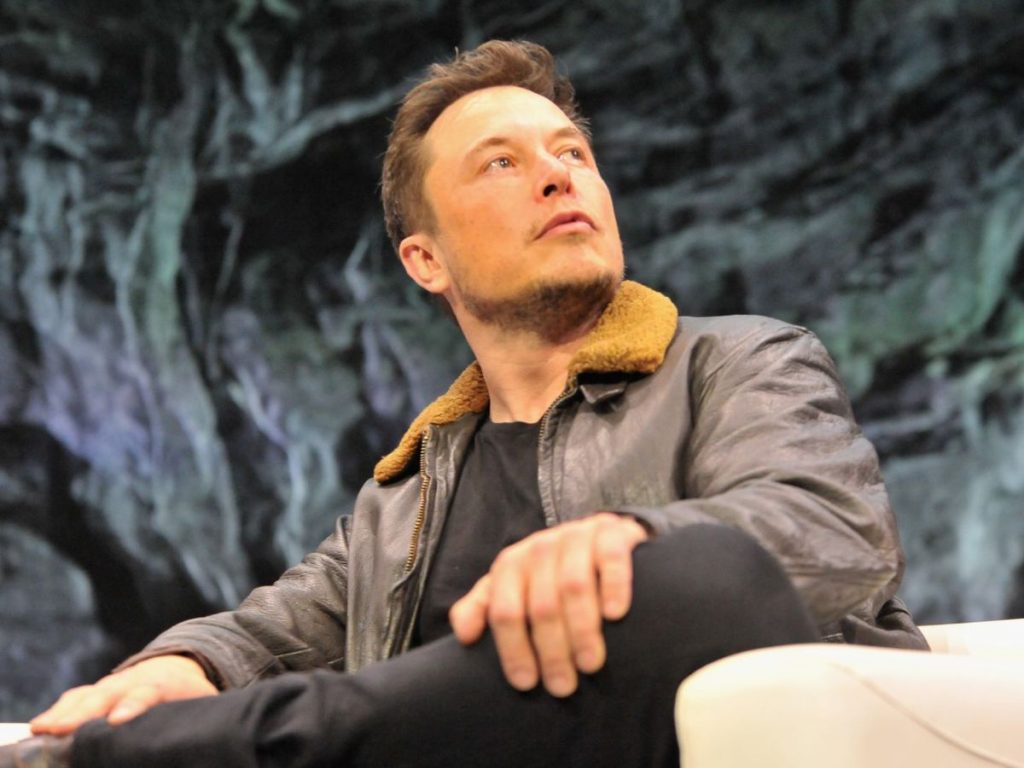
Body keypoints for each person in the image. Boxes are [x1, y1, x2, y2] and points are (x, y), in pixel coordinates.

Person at [3, 39, 925, 768]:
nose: (560, 176)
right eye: (501, 164)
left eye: (572, 153)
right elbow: (269, 629)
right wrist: (186, 665)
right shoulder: (403, 501)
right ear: (426, 260)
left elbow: (835, 531)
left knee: (694, 579)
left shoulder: (738, 360)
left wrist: (627, 543)